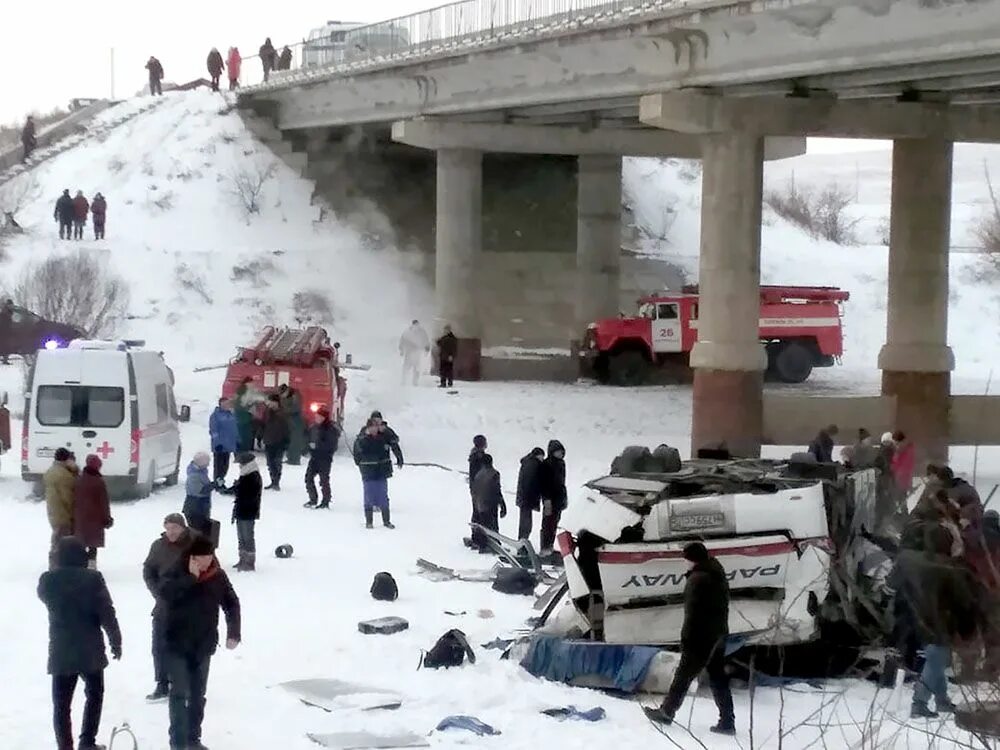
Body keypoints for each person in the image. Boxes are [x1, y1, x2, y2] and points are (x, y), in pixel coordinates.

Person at [38, 537, 122, 750]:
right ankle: (87, 742)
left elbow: (43, 596)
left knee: (61, 705)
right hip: (90, 649)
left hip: (61, 650)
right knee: (94, 695)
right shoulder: (93, 579)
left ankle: (65, 746)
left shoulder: (48, 580)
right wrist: (115, 639)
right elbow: (106, 611)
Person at [644, 542, 735, 734]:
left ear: (692, 559)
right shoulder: (716, 572)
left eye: (685, 558)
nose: (684, 562)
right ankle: (727, 720)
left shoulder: (698, 579)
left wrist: (686, 639)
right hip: (718, 634)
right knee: (718, 678)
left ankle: (667, 712)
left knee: (682, 677)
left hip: (700, 638)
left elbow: (692, 614)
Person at [159, 536, 240, 750]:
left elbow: (231, 603)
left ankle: (193, 739)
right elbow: (165, 594)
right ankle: (177, 742)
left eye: (209, 557)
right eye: (200, 558)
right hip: (176, 643)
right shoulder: (176, 572)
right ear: (191, 558)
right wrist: (190, 579)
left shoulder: (217, 575)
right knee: (179, 693)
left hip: (203, 644)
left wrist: (234, 632)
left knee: (197, 695)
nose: (205, 563)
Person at [142, 513, 198, 702]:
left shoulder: (194, 544)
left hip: (187, 604)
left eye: (175, 528)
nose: (171, 532)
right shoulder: (158, 546)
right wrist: (156, 591)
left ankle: (186, 683)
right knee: (159, 645)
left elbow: (204, 572)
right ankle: (162, 683)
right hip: (164, 603)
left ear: (183, 528)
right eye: (168, 528)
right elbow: (148, 570)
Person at [353, 417, 396, 529]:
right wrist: (361, 464)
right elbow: (357, 455)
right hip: (368, 472)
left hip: (381, 472)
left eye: (376, 427)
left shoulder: (382, 439)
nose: (374, 429)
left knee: (383, 496)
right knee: (368, 496)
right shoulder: (362, 440)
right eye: (371, 427)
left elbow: (387, 452)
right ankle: (369, 521)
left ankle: (386, 521)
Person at [73, 455, 112, 568]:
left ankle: (79, 564)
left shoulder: (78, 480)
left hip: (80, 518)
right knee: (92, 544)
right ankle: (91, 565)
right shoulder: (99, 482)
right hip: (95, 519)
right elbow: (104, 503)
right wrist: (107, 519)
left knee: (81, 542)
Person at [45, 448, 78, 569]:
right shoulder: (64, 476)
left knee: (57, 537)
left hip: (54, 511)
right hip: (63, 513)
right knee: (62, 541)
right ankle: (57, 565)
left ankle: (54, 564)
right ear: (66, 459)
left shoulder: (51, 471)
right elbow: (68, 498)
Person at [232, 452, 262, 571]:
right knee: (241, 536)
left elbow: (248, 494)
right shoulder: (246, 474)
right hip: (241, 510)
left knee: (247, 536)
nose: (239, 466)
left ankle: (249, 562)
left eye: (240, 463)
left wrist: (237, 488)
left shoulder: (252, 476)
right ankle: (242, 559)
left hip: (248, 511)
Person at [304, 407, 339, 509]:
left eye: (319, 416)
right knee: (308, 478)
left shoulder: (331, 429)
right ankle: (313, 499)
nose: (317, 418)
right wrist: (309, 446)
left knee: (323, 480)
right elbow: (308, 437)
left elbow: (332, 445)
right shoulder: (313, 427)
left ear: (324, 418)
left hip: (325, 458)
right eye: (316, 416)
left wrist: (317, 446)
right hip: (314, 457)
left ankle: (325, 501)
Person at [471, 453, 506, 546]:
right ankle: (494, 544)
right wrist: (503, 505)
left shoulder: (478, 475)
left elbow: (475, 490)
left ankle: (482, 543)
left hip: (480, 504)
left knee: (484, 525)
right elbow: (497, 490)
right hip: (490, 504)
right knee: (493, 526)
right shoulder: (494, 474)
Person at [539, 440, 567, 555]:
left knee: (554, 522)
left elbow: (561, 482)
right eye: (558, 451)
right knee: (547, 523)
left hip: (559, 498)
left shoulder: (561, 464)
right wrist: (546, 499)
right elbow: (544, 483)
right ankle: (545, 546)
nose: (560, 453)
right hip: (549, 498)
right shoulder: (546, 464)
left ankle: (549, 545)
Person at [516, 447, 545, 541]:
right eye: (542, 456)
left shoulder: (527, 463)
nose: (543, 459)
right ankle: (523, 543)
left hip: (524, 497)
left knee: (525, 522)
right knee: (526, 524)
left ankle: (522, 542)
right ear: (538, 455)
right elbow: (532, 482)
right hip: (528, 498)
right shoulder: (534, 464)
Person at [209, 398, 239, 488]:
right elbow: (213, 430)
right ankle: (218, 483)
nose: (227, 405)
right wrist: (217, 443)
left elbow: (235, 429)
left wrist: (237, 441)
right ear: (220, 405)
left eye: (228, 404)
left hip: (229, 445)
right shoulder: (215, 416)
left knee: (225, 466)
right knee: (219, 466)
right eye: (225, 404)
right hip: (220, 446)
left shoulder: (231, 415)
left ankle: (221, 481)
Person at [262, 394, 290, 490]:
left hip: (279, 441)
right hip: (268, 440)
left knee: (277, 462)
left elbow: (287, 428)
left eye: (270, 401)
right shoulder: (267, 412)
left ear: (276, 402)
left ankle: (276, 482)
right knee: (270, 463)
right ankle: (273, 481)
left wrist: (286, 441)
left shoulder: (282, 413)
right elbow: (263, 424)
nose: (269, 403)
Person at [183, 452, 213, 535]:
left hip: (200, 507)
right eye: (207, 463)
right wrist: (214, 485)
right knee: (197, 532)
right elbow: (199, 491)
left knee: (202, 531)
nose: (208, 465)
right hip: (195, 508)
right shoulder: (194, 475)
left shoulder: (201, 472)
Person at [467, 435, 488, 546]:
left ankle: (476, 536)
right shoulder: (479, 457)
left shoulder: (474, 456)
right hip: (479, 489)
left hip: (475, 488)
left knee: (476, 512)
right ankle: (478, 538)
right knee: (480, 513)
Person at [398, 319, 430, 386]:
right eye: (415, 324)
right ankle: (404, 380)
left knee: (416, 367)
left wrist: (427, 348)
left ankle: (415, 381)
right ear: (412, 324)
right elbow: (402, 340)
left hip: (417, 351)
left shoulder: (421, 332)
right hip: (409, 351)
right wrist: (401, 349)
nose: (416, 326)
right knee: (406, 367)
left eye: (417, 324)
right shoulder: (407, 331)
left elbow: (425, 340)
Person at [281, 386, 306, 465]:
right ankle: (291, 458)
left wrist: (284, 410)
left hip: (296, 421)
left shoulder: (295, 396)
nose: (282, 396)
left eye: (283, 394)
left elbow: (295, 408)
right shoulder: (291, 395)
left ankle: (295, 459)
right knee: (291, 441)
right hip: (291, 421)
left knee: (295, 441)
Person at [233, 377, 257, 452]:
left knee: (246, 437)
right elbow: (239, 405)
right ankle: (240, 454)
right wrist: (250, 406)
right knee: (242, 437)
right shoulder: (241, 391)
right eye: (250, 383)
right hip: (242, 418)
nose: (252, 385)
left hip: (246, 417)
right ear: (246, 383)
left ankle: (244, 452)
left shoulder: (248, 391)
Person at [437, 324, 458, 388]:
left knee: (448, 370)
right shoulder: (444, 337)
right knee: (443, 370)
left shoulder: (452, 338)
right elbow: (438, 343)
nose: (445, 331)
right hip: (443, 356)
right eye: (445, 329)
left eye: (446, 330)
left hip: (448, 356)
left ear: (449, 330)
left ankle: (449, 383)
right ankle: (444, 383)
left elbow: (454, 348)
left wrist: (452, 355)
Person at [0, 298, 14, 364]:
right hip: (4, 332)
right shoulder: (5, 312)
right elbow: (4, 322)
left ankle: (5, 359)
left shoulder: (8, 311)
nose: (12, 306)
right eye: (11, 305)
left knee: (6, 346)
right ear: (8, 305)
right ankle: (5, 360)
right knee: (6, 346)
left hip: (7, 331)